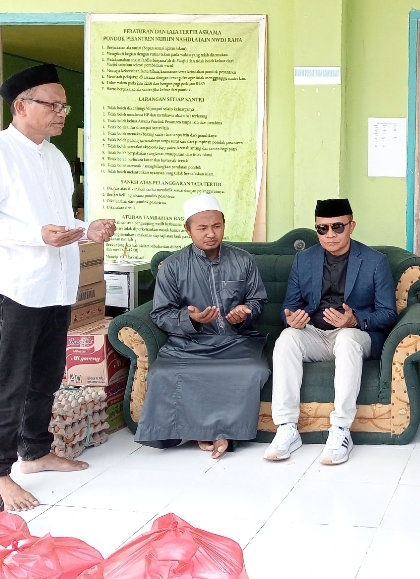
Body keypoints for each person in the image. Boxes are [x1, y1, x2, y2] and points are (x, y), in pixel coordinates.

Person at [0, 64, 116, 512]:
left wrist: (89, 230)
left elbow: (61, 221)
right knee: (10, 382)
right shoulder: (3, 153)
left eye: (64, 106)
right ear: (21, 105)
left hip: (58, 284)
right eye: (53, 105)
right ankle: (1, 473)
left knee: (47, 377)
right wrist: (37, 237)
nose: (62, 113)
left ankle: (34, 453)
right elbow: (33, 229)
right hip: (17, 286)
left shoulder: (54, 157)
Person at [134, 194, 270, 458]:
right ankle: (203, 432)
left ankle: (221, 434)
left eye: (217, 226)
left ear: (224, 225)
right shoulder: (172, 266)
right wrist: (191, 319)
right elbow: (161, 313)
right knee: (162, 374)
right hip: (189, 344)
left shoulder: (243, 260)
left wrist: (245, 313)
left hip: (235, 343)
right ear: (188, 230)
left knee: (254, 370)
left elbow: (258, 300)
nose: (211, 234)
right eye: (202, 228)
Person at [264, 199, 398, 465]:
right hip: (314, 333)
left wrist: (355, 320)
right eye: (322, 229)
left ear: (351, 226)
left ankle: (341, 430)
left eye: (337, 227)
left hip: (354, 334)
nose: (330, 235)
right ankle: (287, 428)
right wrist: (292, 318)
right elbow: (289, 306)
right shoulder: (304, 260)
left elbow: (388, 314)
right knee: (287, 339)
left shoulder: (374, 261)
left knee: (346, 339)